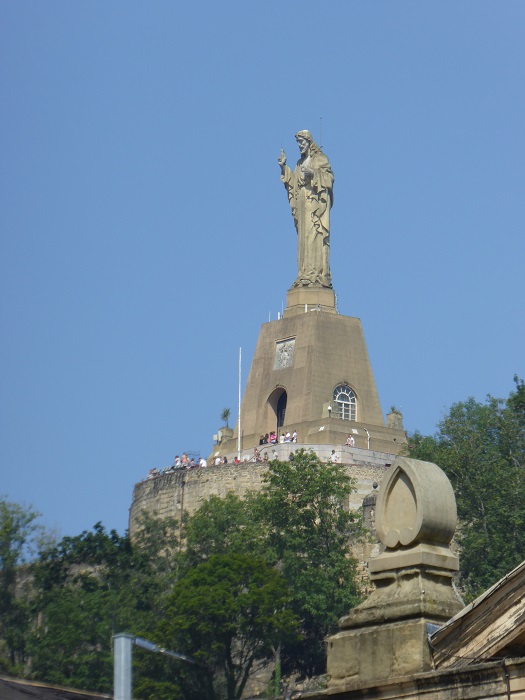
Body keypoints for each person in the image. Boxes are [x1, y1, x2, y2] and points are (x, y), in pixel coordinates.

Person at [278, 130, 334, 288]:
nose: (300, 146)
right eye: (298, 143)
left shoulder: (320, 159)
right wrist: (284, 168)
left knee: (313, 238)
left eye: (302, 142)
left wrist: (313, 174)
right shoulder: (299, 163)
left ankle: (315, 274)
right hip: (302, 206)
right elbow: (293, 184)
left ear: (309, 142)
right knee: (303, 242)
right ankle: (304, 274)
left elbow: (329, 179)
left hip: (314, 207)